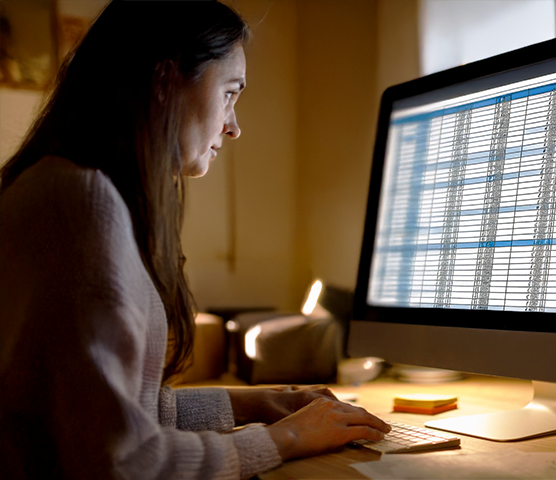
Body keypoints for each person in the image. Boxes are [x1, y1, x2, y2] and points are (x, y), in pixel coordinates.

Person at [0, 1, 390, 478]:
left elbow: (129, 414)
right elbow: (122, 461)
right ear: (165, 81)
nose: (234, 125)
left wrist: (264, 402)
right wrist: (286, 438)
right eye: (229, 93)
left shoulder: (67, 188)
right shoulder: (80, 202)